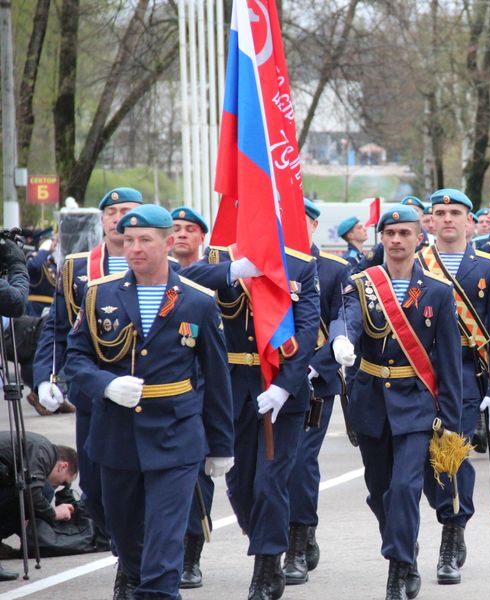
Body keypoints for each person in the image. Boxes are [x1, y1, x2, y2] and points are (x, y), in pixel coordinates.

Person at [65, 204, 234, 600]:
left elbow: (216, 377)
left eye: (145, 240)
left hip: (176, 434)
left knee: (165, 534)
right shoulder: (99, 294)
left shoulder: (198, 301)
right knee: (122, 530)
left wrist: (221, 445)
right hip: (116, 432)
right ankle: (136, 577)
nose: (134, 248)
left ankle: (158, 592)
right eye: (128, 240)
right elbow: (76, 357)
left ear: (168, 242)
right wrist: (106, 384)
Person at [180, 202, 320, 599]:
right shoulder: (219, 261)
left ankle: (266, 566)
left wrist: (285, 386)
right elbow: (181, 279)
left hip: (279, 387)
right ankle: (265, 541)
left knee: (269, 482)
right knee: (240, 485)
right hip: (229, 389)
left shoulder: (299, 266)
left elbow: (307, 330)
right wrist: (234, 271)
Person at [331, 205, 462, 600]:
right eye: (390, 234)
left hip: (416, 403)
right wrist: (342, 339)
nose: (396, 240)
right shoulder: (362, 284)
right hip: (371, 401)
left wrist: (452, 422)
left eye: (404, 233)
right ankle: (406, 546)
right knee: (380, 493)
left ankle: (399, 568)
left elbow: (449, 362)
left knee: (405, 488)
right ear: (382, 239)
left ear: (419, 239)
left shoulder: (438, 292)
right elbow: (348, 319)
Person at [32, 187, 144, 549]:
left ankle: (139, 552)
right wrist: (45, 377)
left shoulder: (160, 265)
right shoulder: (78, 268)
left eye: (126, 211)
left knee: (145, 477)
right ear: (102, 220)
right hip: (93, 391)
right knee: (95, 482)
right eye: (111, 212)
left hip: (146, 390)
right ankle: (119, 547)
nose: (118, 218)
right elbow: (57, 328)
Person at [417, 188, 490, 586]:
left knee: (451, 454)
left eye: (455, 212)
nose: (447, 219)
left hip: (465, 372)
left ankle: (452, 532)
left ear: (469, 220)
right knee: (420, 459)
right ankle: (439, 517)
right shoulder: (415, 262)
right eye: (440, 213)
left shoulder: (489, 267)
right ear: (430, 220)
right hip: (419, 371)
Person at [284, 200, 353, 586]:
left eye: (300, 221)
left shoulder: (333, 269)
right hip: (269, 383)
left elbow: (343, 322)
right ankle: (292, 530)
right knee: (266, 466)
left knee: (299, 461)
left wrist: (313, 367)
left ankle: (297, 540)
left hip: (313, 382)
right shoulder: (266, 266)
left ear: (313, 226)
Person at [165, 206, 214, 589]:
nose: (182, 234)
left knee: (198, 477)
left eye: (189, 229)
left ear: (201, 237)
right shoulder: (154, 276)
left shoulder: (215, 275)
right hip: (159, 392)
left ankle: (190, 554)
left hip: (202, 390)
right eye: (176, 228)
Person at [0, 432, 78, 582]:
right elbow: (31, 491)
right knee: (43, 491)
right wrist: (53, 513)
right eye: (64, 483)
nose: (59, 487)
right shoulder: (43, 451)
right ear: (63, 466)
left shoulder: (39, 448)